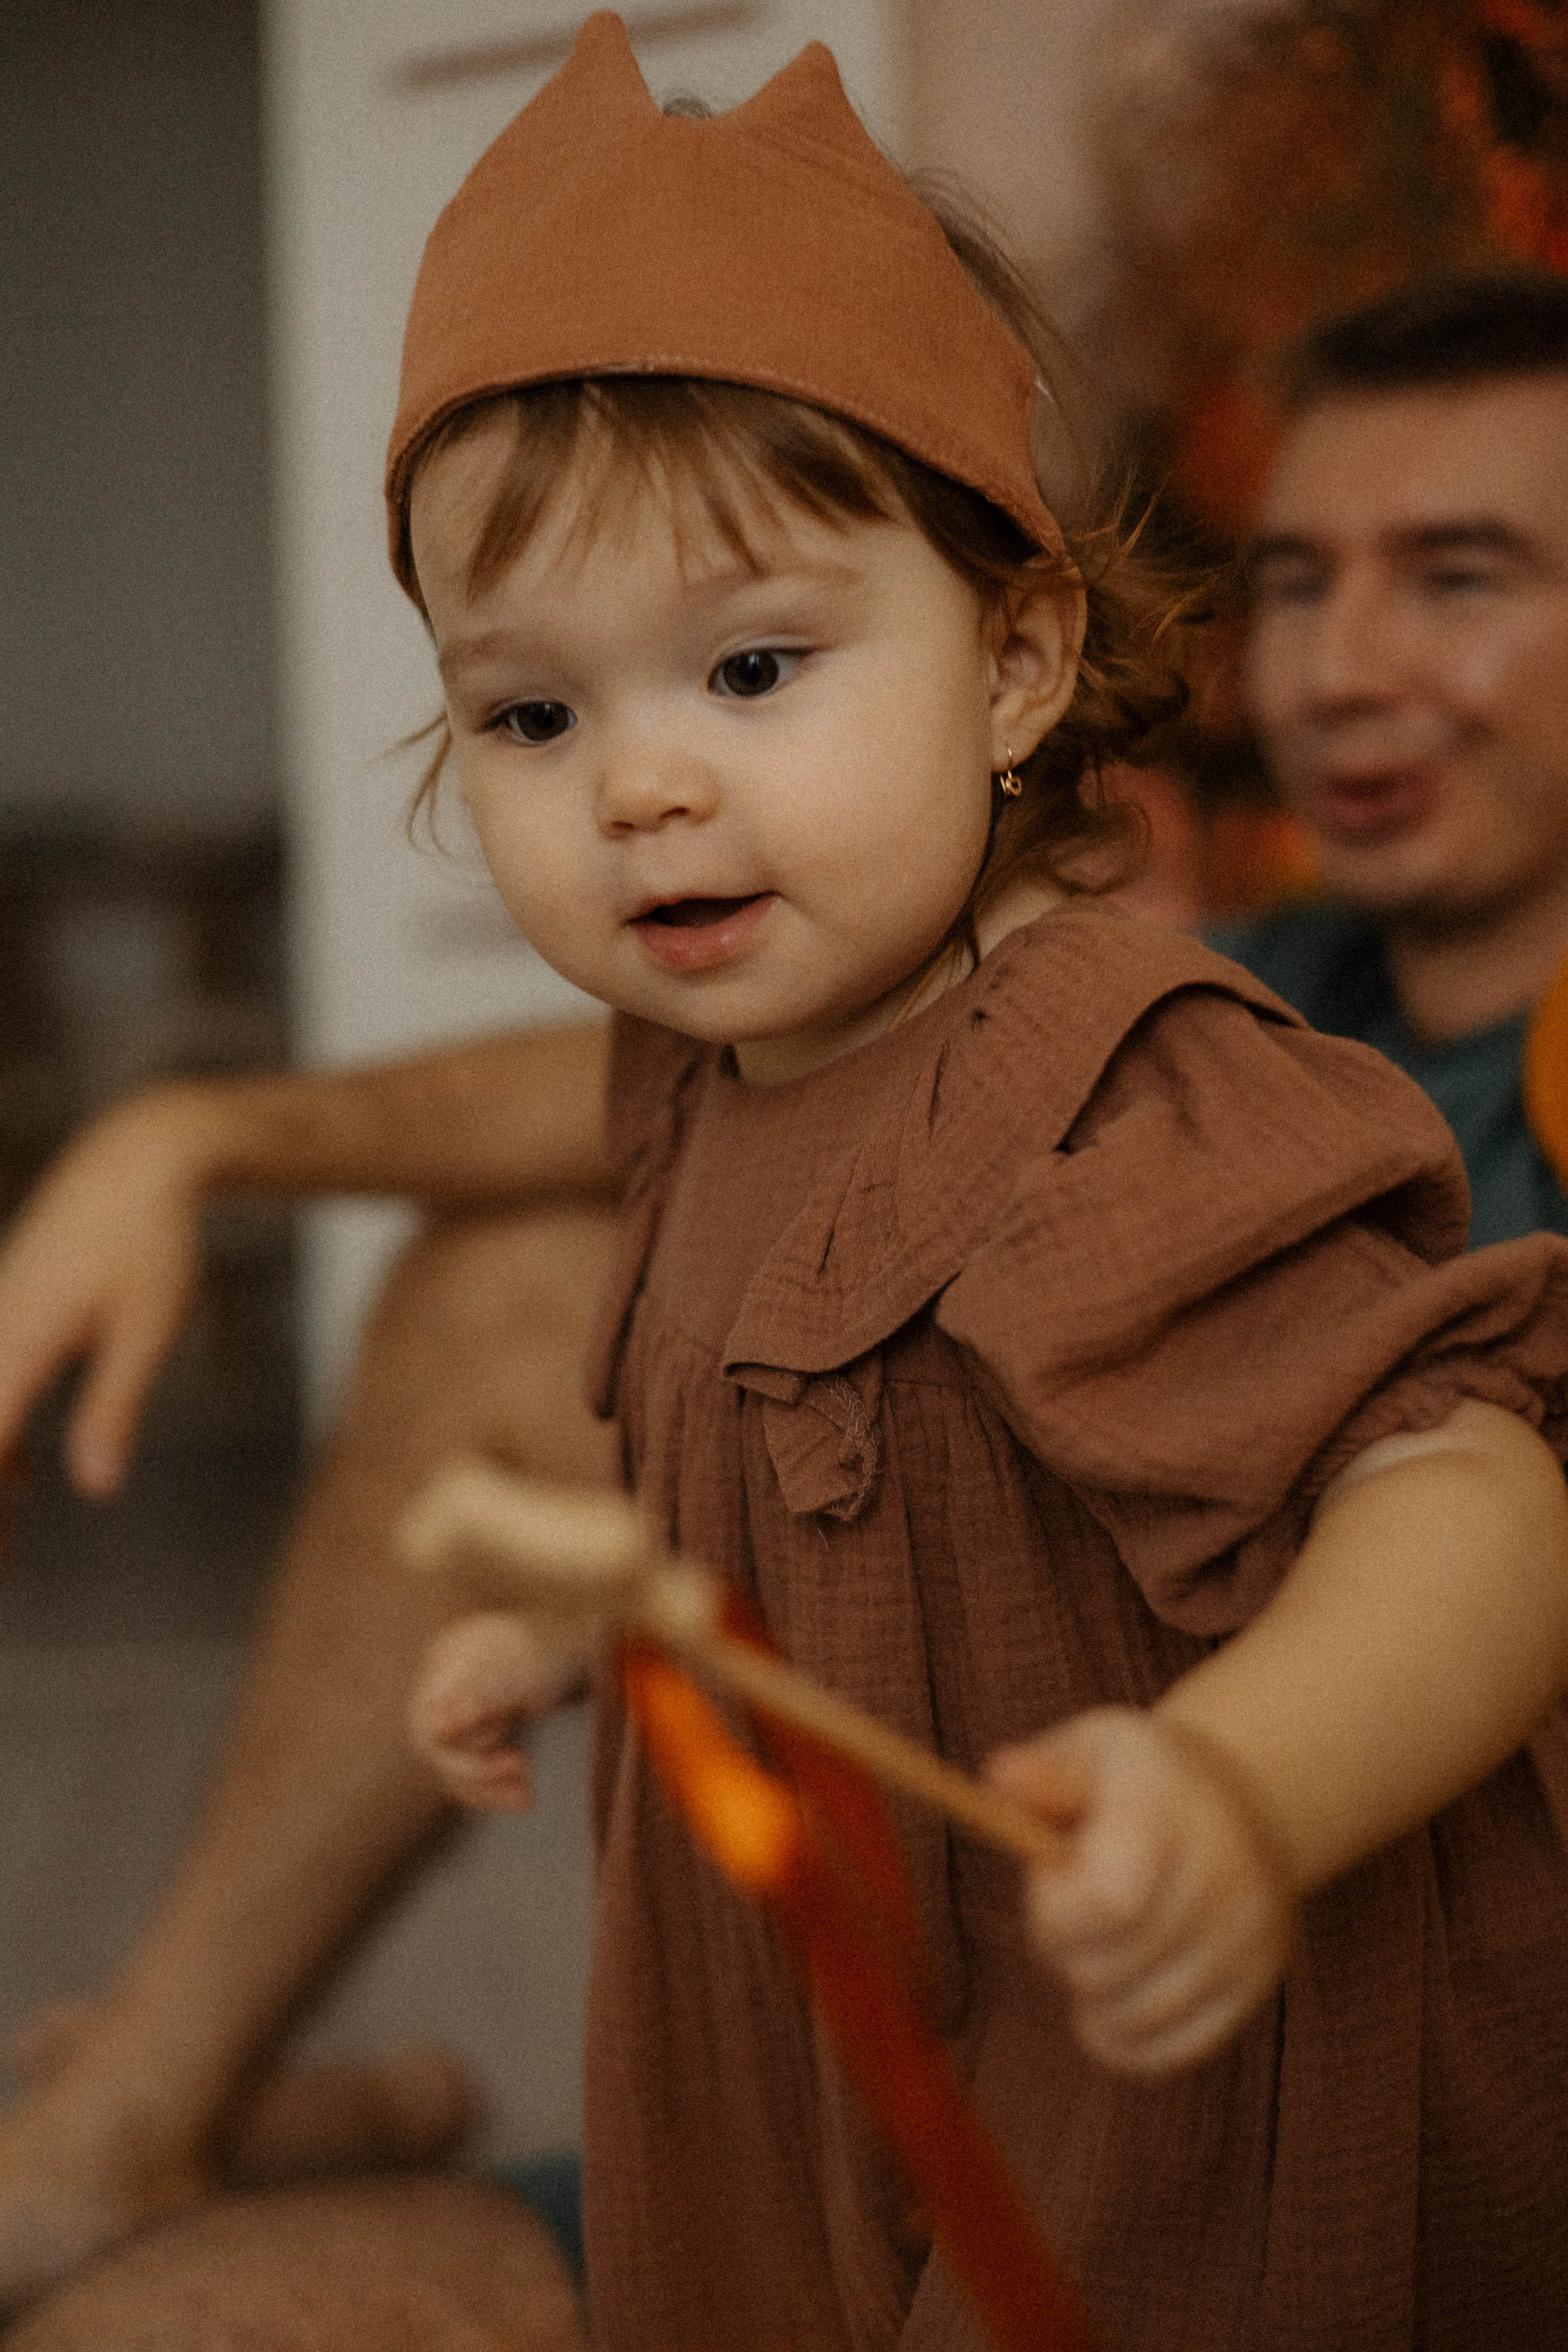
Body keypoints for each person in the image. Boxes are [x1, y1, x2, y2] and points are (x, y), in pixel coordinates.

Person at [1, 56, 1567, 2336]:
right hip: (822, 2083)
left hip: (1127, 2143)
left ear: (1021, 660)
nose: (642, 782)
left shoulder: (1139, 1084)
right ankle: (212, 2129)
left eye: (752, 668)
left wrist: (1244, 1786)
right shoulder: (727, 1071)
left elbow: (1480, 1492)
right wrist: (604, 1621)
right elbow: (815, 1458)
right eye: (528, 717)